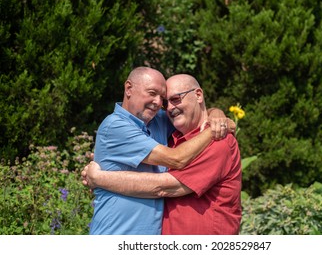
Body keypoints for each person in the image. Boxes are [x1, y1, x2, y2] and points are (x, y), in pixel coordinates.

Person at [83, 74, 242, 234]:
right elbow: (175, 159)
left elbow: (163, 186)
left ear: (198, 95)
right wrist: (212, 128)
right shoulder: (119, 126)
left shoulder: (217, 141)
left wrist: (216, 116)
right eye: (156, 95)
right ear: (129, 88)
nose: (163, 105)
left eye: (175, 99)